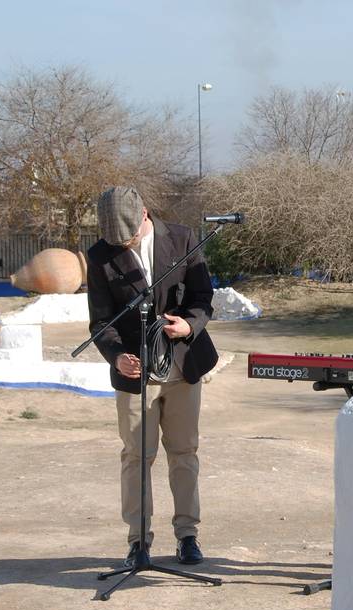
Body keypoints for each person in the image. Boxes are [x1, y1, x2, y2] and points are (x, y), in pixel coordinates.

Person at [86, 186, 218, 566]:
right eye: (116, 242)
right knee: (136, 457)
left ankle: (188, 536)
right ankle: (138, 542)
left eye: (127, 239)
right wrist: (115, 356)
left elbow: (202, 298)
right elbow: (99, 321)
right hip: (135, 374)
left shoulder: (182, 238)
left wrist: (189, 325)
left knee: (184, 452)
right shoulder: (99, 256)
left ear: (144, 214)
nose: (122, 247)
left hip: (183, 367)